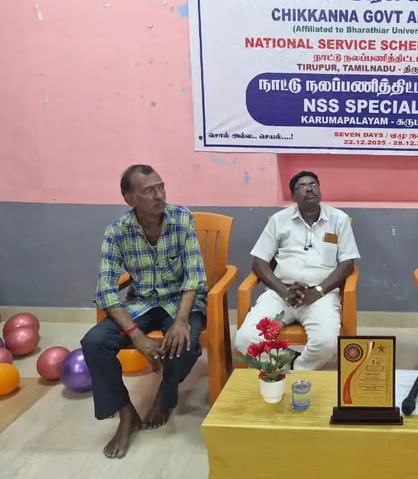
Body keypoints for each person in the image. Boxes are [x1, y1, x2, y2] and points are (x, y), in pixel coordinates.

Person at [80, 164, 208, 459]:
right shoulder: (117, 232)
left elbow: (194, 276)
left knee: (186, 344)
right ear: (129, 199)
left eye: (161, 187)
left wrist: (181, 321)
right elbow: (106, 291)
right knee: (94, 342)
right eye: (149, 191)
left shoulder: (182, 218)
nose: (159, 195)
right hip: (141, 303)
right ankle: (126, 413)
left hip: (179, 302)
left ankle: (165, 395)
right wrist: (136, 335)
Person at [235, 170, 359, 370]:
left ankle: (293, 370)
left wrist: (318, 291)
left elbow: (347, 264)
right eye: (302, 186)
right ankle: (287, 363)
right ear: (293, 196)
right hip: (281, 293)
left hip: (321, 295)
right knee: (245, 338)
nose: (309, 188)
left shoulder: (339, 219)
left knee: (326, 343)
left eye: (313, 184)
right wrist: (284, 291)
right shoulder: (279, 220)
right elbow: (259, 262)